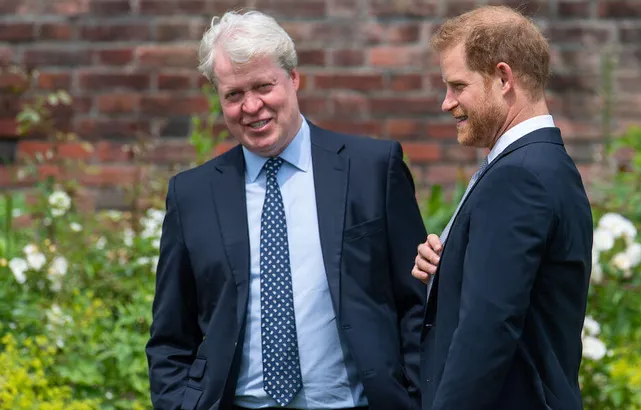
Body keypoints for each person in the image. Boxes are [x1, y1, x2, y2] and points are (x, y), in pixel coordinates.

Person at [146, 10, 427, 410]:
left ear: (293, 79)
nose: (252, 106)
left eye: (263, 86)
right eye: (234, 94)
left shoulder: (371, 169)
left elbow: (417, 302)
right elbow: (171, 335)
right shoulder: (192, 194)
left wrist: (414, 396)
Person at [411, 5, 593, 410]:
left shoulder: (519, 176)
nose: (447, 102)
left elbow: (488, 329)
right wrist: (449, 271)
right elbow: (521, 293)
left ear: (503, 78)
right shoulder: (546, 165)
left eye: (458, 86)